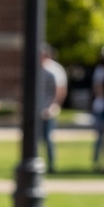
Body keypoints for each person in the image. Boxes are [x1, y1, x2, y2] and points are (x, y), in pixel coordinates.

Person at [40, 45, 68, 173]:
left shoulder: (54, 70)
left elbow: (60, 90)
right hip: (38, 109)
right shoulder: (38, 68)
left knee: (48, 137)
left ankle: (51, 165)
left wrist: (54, 106)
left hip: (49, 109)